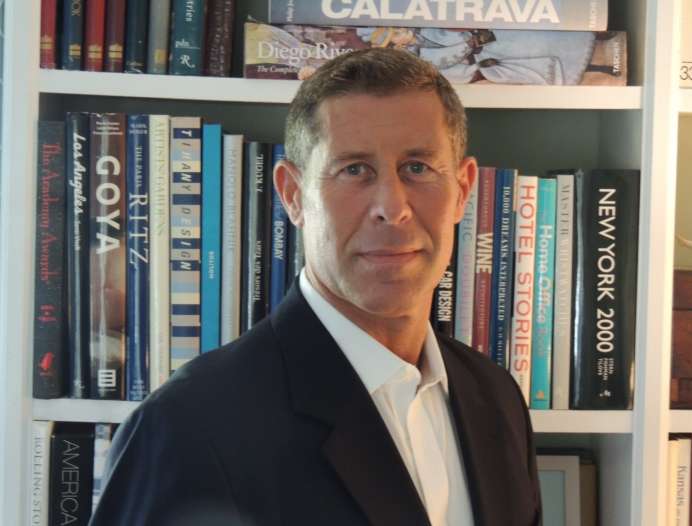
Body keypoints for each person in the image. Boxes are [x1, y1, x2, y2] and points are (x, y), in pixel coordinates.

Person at [89, 47, 542, 526]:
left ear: (463, 190)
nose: (392, 208)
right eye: (354, 170)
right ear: (292, 195)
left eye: (417, 168)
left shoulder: (496, 398)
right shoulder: (187, 427)